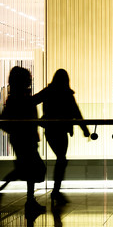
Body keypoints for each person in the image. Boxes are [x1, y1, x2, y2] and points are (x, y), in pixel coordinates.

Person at [33, 69, 90, 204]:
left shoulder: (48, 92)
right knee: (61, 159)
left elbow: (33, 100)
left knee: (61, 159)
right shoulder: (67, 94)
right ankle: (56, 191)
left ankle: (56, 191)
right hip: (62, 130)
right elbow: (76, 112)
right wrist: (84, 129)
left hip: (51, 129)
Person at [0, 66, 46, 213]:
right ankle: (29, 201)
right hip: (25, 138)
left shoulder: (14, 96)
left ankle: (30, 201)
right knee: (30, 169)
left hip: (20, 138)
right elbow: (30, 107)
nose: (30, 80)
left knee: (27, 169)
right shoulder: (21, 97)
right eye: (28, 78)